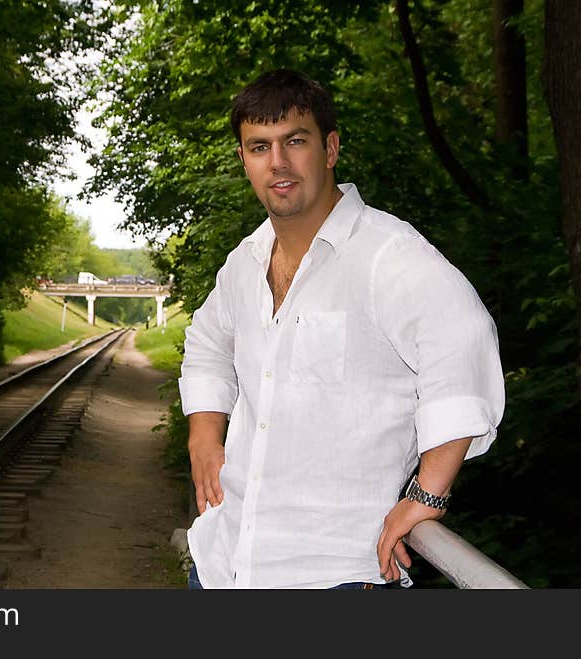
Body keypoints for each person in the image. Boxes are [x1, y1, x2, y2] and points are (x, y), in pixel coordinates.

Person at [179, 69, 505, 589]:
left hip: (335, 576)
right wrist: (203, 435)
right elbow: (207, 345)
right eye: (259, 147)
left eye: (296, 141)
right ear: (243, 160)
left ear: (329, 149)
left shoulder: (387, 254)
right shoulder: (245, 262)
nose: (278, 163)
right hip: (223, 565)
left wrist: (428, 493)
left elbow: (463, 344)